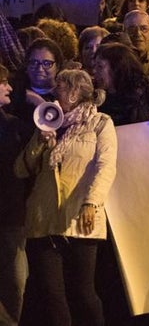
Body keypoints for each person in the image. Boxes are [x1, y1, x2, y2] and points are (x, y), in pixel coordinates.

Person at [16, 68, 117, 326]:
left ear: (73, 93)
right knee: (52, 295)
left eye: (59, 88)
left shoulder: (100, 123)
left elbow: (106, 166)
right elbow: (21, 169)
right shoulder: (48, 123)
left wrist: (91, 202)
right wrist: (40, 141)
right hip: (43, 220)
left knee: (83, 293)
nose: (53, 93)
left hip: (80, 218)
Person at [0, 64, 31, 325]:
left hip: (11, 217)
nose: (9, 87)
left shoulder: (13, 125)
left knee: (15, 281)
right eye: (3, 82)